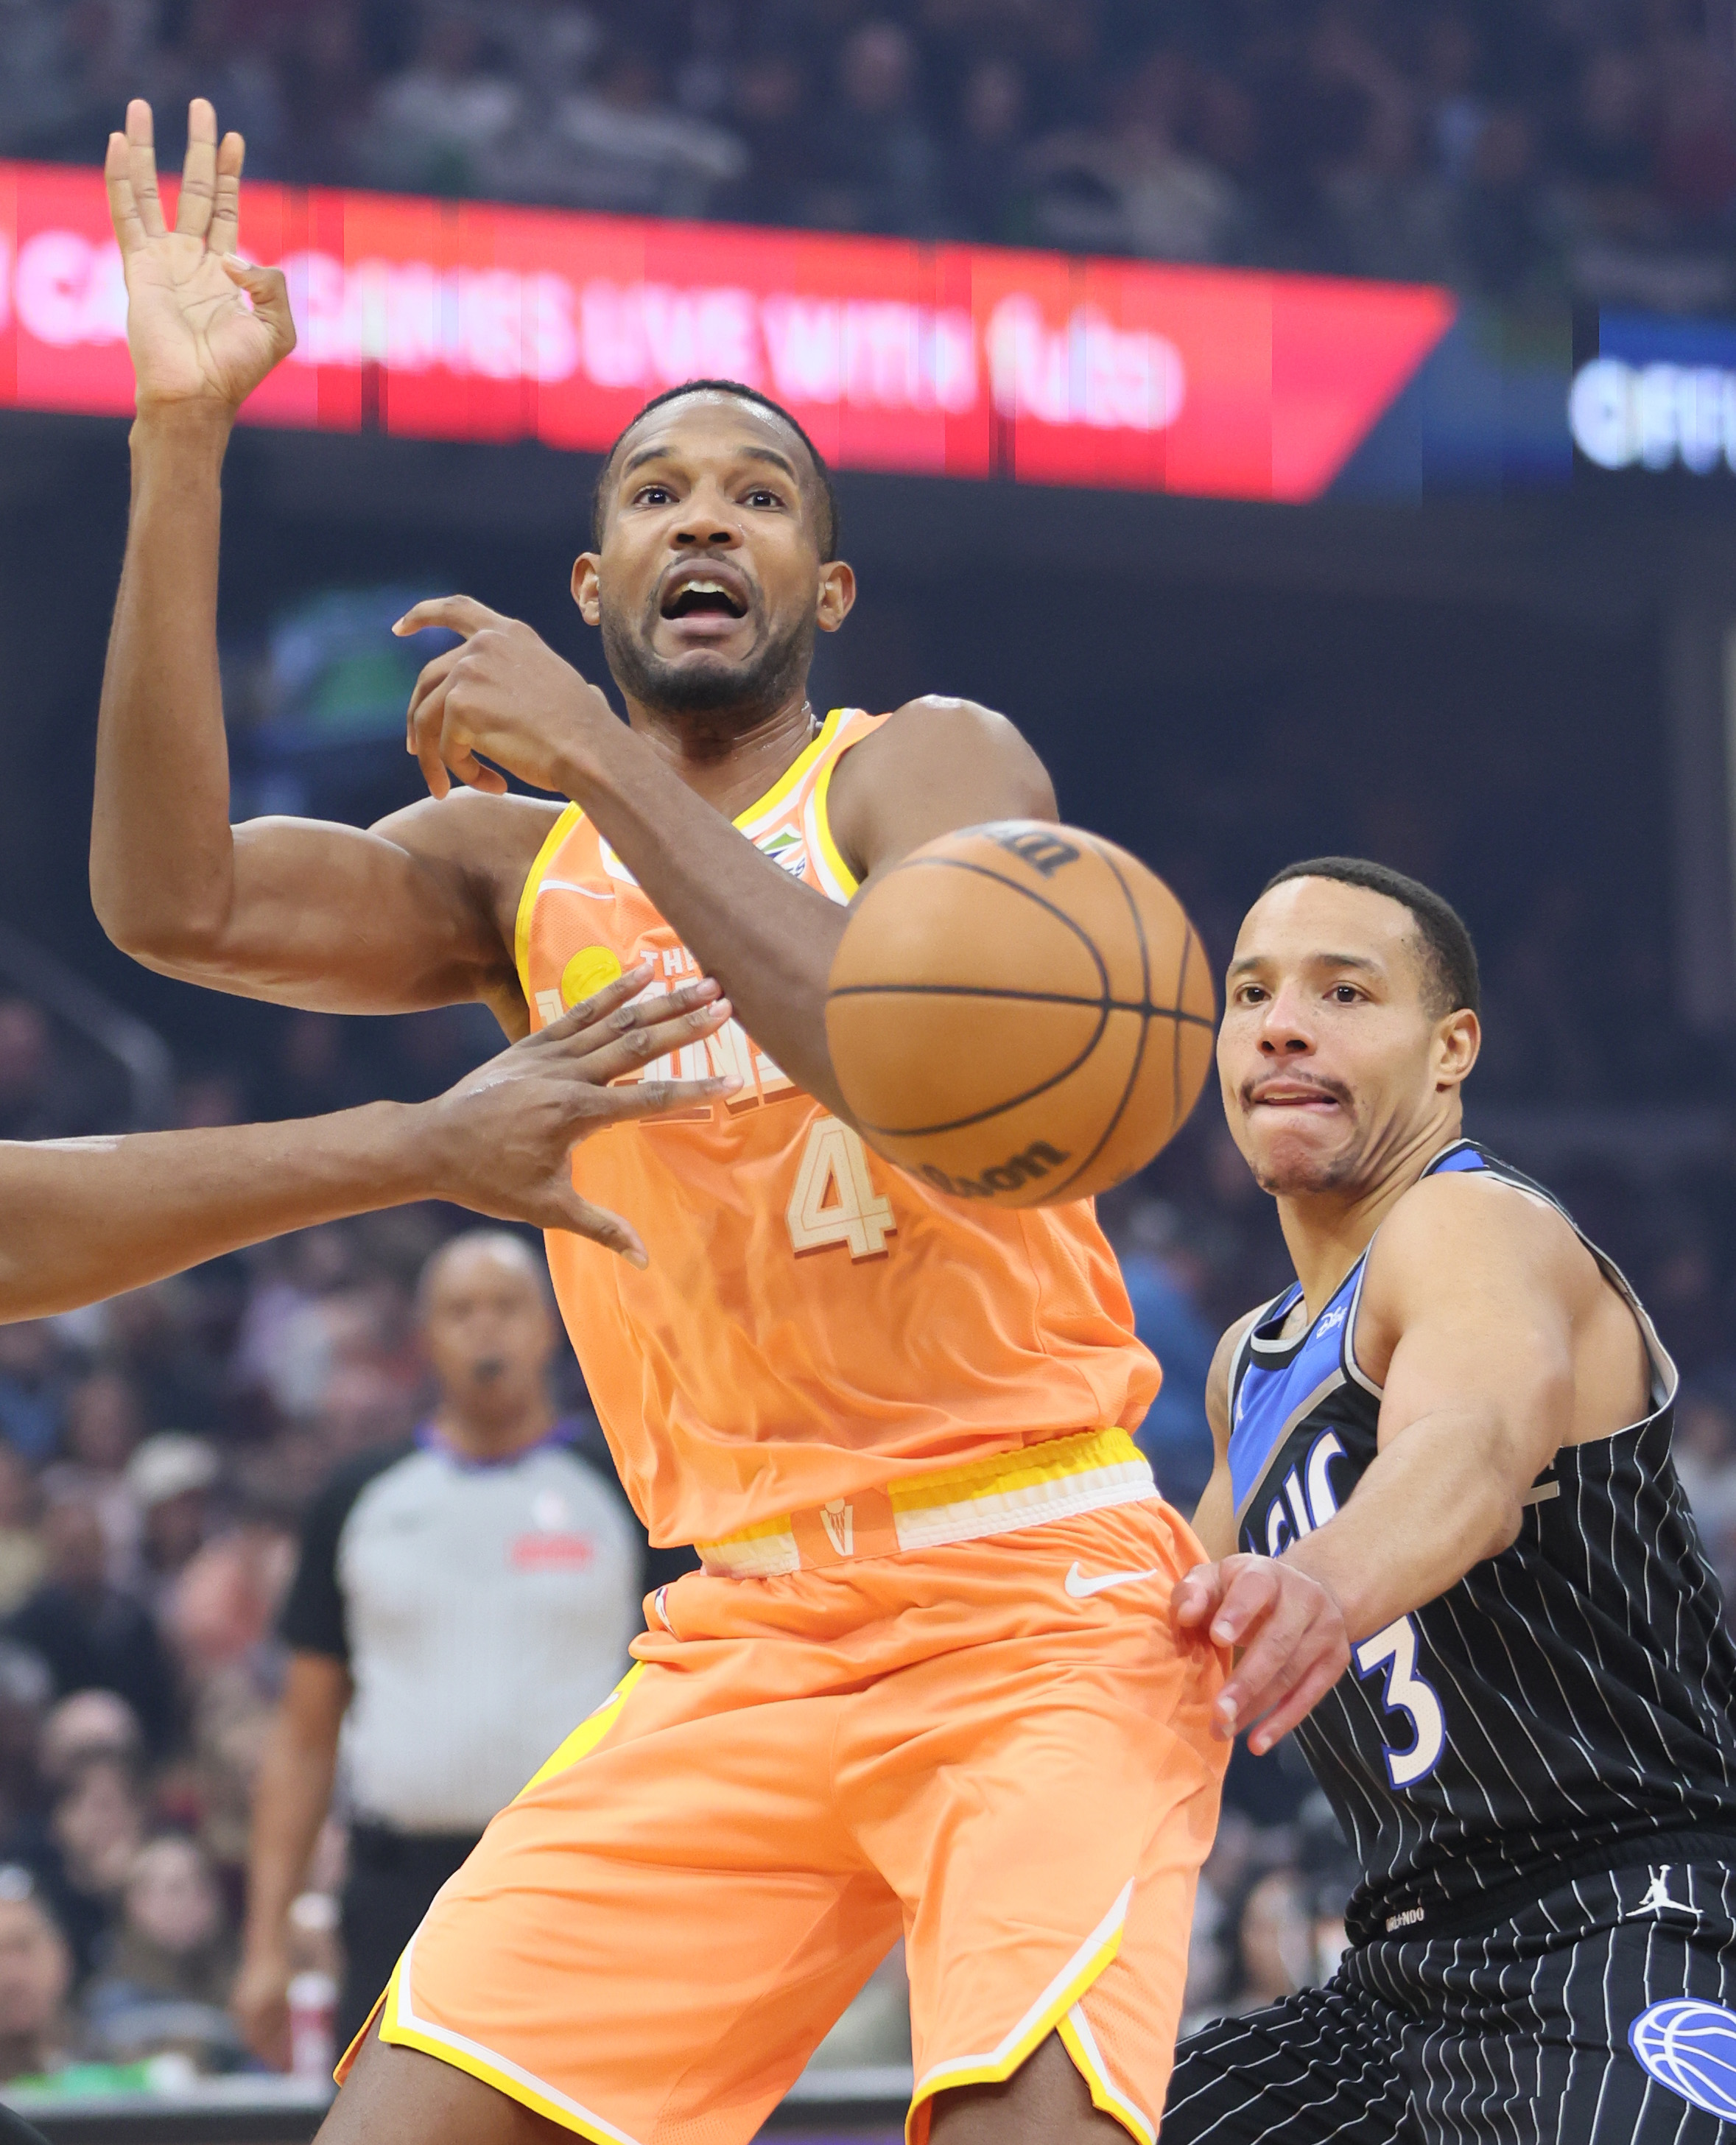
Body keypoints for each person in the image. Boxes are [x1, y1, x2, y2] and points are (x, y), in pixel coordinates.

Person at [94, 96, 1226, 2145]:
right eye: (657, 492)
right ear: (593, 568)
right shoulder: (500, 872)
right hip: (741, 1627)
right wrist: (181, 449)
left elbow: (893, 1047)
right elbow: (166, 902)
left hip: (1031, 1592)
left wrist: (600, 765)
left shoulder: (920, 772)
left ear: (830, 578)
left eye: (758, 495)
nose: (706, 522)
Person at [1162, 857, 1736, 2144]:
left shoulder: (1470, 1224)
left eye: (1343, 990)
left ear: (1448, 1049)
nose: (1280, 1022)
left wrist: (1316, 1580)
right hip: (1393, 1978)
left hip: (1630, 1907)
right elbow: (1163, 1666)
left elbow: (1467, 1456)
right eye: (1249, 993)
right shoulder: (1243, 1363)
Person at [234, 1231, 685, 2064]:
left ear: (550, 1326)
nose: (486, 1330)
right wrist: (266, 1940)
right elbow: (303, 1734)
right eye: (460, 1310)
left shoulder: (630, 1487)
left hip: (582, 1881)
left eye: (507, 1307)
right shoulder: (357, 1497)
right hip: (399, 1886)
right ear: (425, 1336)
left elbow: (692, 1698)